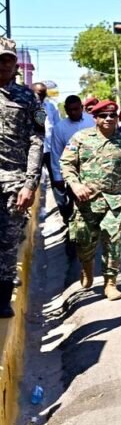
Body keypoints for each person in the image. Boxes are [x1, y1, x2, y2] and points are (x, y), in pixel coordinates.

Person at [60, 100, 121, 302]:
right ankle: (87, 267)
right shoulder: (80, 138)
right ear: (95, 118)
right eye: (103, 116)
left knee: (113, 241)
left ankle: (110, 282)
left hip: (116, 201)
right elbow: (66, 164)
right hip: (87, 201)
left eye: (112, 115)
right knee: (84, 242)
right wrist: (75, 185)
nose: (108, 119)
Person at [0, 39, 45, 316]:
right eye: (0, 60)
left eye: (8, 60)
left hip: (14, 179)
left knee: (7, 240)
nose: (4, 64)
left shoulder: (26, 98)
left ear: (15, 64)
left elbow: (36, 141)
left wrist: (30, 184)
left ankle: (2, 298)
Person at [50, 95, 95, 226]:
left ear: (82, 108)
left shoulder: (92, 121)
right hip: (72, 171)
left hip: (94, 169)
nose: (73, 112)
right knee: (73, 204)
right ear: (65, 109)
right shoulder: (60, 128)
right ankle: (73, 235)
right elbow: (56, 153)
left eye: (76, 109)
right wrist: (58, 176)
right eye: (70, 110)